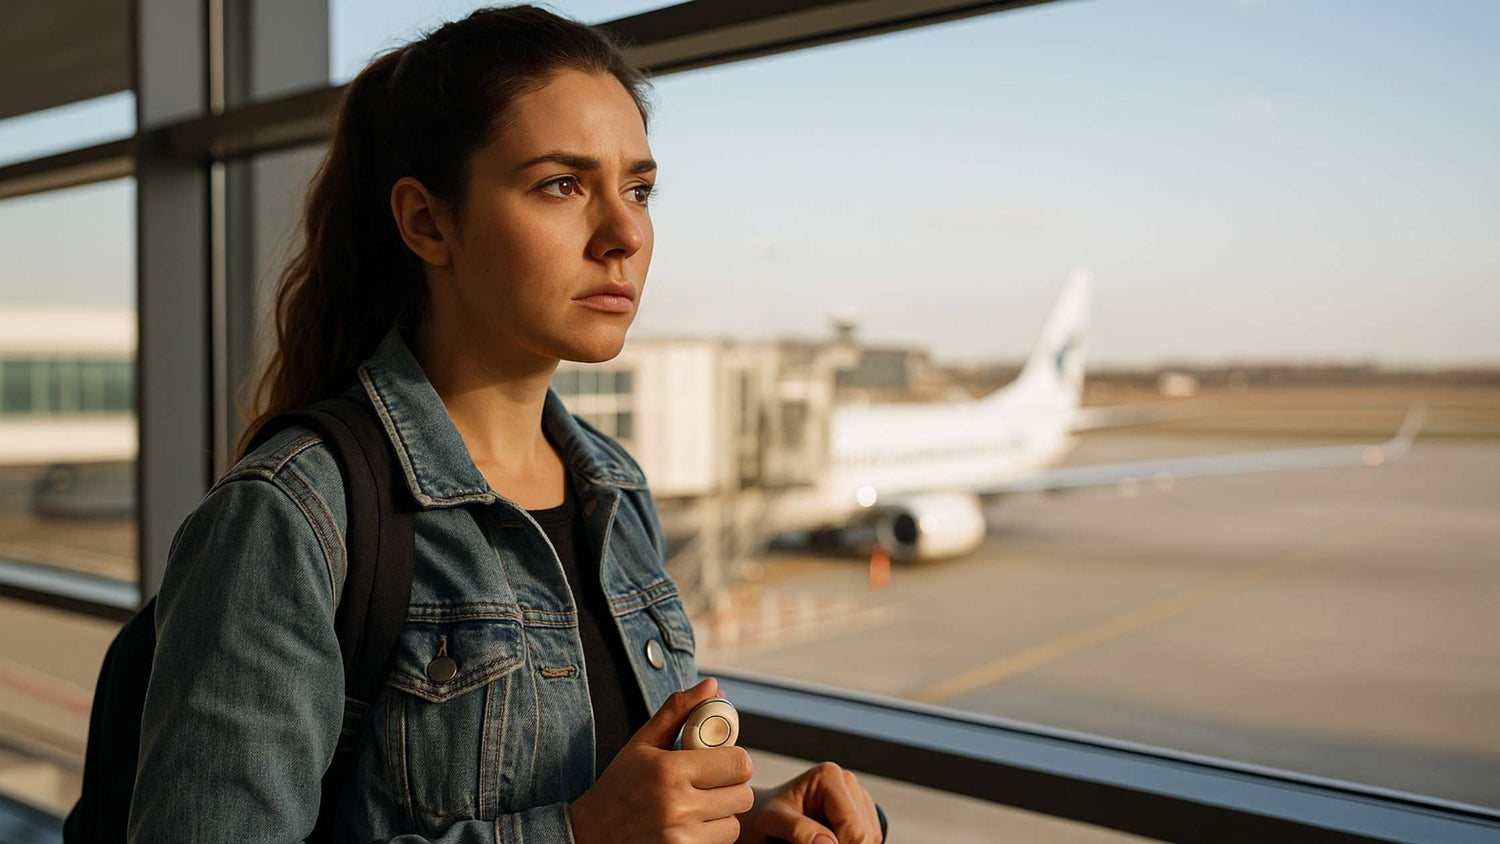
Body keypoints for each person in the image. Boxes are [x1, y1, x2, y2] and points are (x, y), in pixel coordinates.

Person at [125, 5, 885, 843]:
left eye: (638, 188)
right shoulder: (295, 512)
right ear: (427, 222)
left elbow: (618, 805)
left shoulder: (613, 489)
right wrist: (576, 837)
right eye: (562, 185)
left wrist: (742, 827)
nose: (625, 233)